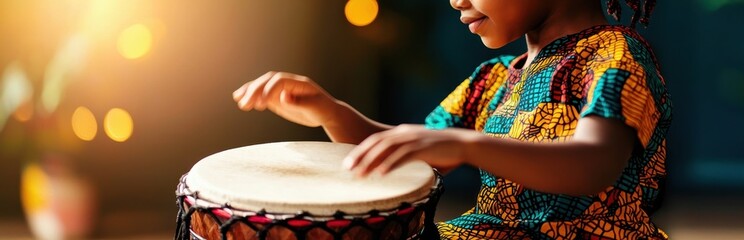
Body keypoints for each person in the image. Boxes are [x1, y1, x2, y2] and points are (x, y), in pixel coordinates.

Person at [232, 0, 670, 238]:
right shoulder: (494, 80)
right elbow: (415, 150)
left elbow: (593, 164)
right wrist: (330, 110)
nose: (456, 0)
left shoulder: (613, 55)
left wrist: (466, 145)